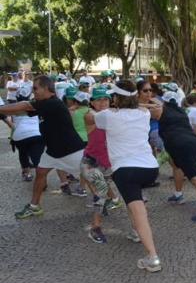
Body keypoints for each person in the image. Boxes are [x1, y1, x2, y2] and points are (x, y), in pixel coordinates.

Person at [94, 80, 161, 272]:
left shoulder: (107, 115)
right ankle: (135, 232)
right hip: (150, 168)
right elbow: (152, 107)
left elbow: (94, 117)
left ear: (116, 98)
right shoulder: (144, 112)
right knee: (134, 201)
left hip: (126, 170)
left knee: (139, 211)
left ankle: (152, 257)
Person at [0, 75, 87, 219]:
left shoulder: (53, 103)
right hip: (53, 151)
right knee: (40, 172)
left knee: (91, 176)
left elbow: (25, 105)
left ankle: (111, 198)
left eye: (35, 88)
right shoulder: (44, 103)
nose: (33, 91)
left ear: (46, 88)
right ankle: (34, 206)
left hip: (71, 150)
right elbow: (19, 110)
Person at [150, 91, 196, 222]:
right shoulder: (182, 111)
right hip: (193, 142)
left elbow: (145, 111)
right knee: (177, 166)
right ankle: (178, 195)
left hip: (182, 145)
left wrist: (151, 102)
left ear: (164, 101)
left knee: (195, 178)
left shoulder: (160, 111)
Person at [81, 87, 123, 243]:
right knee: (102, 190)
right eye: (98, 99)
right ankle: (95, 228)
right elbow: (92, 117)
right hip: (90, 162)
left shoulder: (113, 113)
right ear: (92, 102)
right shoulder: (90, 115)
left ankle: (135, 228)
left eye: (105, 99)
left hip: (109, 163)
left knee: (109, 190)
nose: (102, 102)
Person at [10, 86, 45, 182]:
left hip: (20, 136)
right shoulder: (35, 105)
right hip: (36, 134)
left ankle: (27, 173)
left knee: (23, 153)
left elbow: (14, 124)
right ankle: (42, 179)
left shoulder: (13, 108)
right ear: (29, 96)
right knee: (37, 157)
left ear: (17, 97)